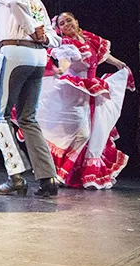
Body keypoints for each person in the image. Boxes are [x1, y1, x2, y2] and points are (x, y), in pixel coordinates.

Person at [0, 0, 61, 197]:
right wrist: (42, 37)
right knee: (28, 118)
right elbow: (53, 36)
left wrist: (30, 29)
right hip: (38, 56)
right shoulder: (37, 0)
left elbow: (15, 4)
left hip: (16, 51)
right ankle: (48, 178)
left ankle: (15, 175)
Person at [36, 12, 133, 188]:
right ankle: (60, 172)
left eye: (69, 20)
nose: (66, 24)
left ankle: (70, 174)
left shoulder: (89, 38)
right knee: (82, 133)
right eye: (62, 23)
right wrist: (60, 70)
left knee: (94, 134)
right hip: (74, 92)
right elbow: (65, 60)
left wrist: (119, 64)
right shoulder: (66, 43)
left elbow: (102, 55)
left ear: (76, 21)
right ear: (60, 29)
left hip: (92, 92)